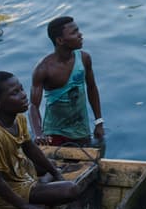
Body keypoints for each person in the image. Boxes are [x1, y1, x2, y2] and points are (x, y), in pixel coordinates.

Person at [0, 71, 80, 209]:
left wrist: (56, 173)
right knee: (71, 189)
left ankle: (43, 184)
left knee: (50, 164)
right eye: (15, 93)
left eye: (21, 89)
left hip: (18, 170)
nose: (23, 95)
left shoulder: (19, 118)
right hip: (11, 189)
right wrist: (26, 207)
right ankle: (40, 187)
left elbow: (30, 148)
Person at [29, 17, 104, 147]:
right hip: (54, 131)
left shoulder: (84, 59)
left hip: (80, 129)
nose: (80, 35)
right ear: (60, 40)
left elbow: (92, 88)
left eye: (78, 30)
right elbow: (33, 106)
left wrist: (99, 122)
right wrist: (38, 134)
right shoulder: (43, 69)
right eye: (74, 33)